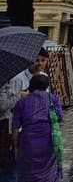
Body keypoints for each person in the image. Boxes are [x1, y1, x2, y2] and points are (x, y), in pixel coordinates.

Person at [0, 51, 47, 182]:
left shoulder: (44, 78)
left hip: (35, 129)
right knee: (12, 162)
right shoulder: (17, 79)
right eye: (37, 60)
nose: (39, 63)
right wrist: (21, 97)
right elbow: (9, 105)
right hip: (16, 128)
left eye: (43, 60)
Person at [10, 74, 63, 182]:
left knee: (28, 173)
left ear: (31, 86)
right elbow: (59, 117)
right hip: (48, 141)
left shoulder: (22, 103)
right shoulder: (53, 99)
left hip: (28, 144)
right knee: (49, 171)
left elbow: (15, 128)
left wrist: (15, 147)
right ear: (46, 86)